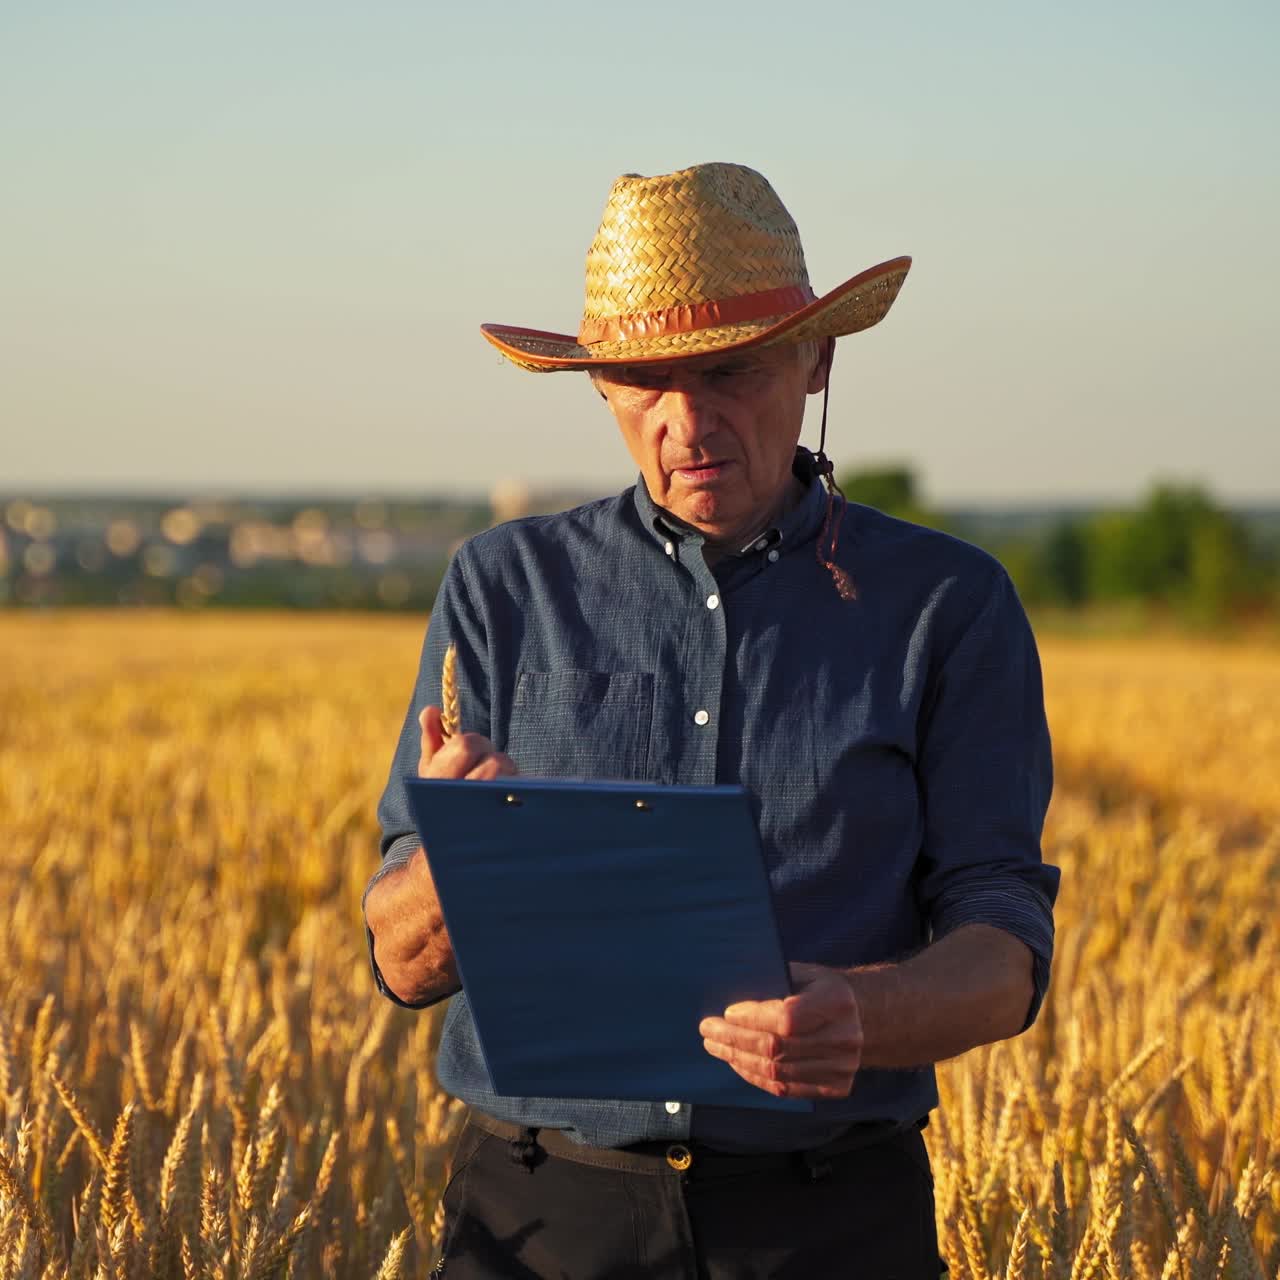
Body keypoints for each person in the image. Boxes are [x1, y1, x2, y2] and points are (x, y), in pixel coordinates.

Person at [362, 162, 1059, 1278]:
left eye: (728, 369)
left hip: (830, 1220)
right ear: (598, 386)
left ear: (815, 358)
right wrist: (465, 848)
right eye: (643, 380)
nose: (687, 421)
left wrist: (861, 1015)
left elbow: (1005, 949)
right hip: (542, 1221)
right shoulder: (503, 587)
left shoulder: (945, 603)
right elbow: (399, 964)